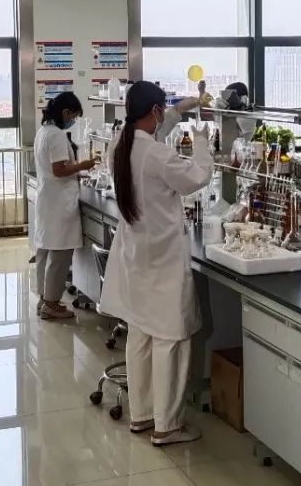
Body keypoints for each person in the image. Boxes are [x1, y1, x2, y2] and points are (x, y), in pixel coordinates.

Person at [100, 81, 212, 446]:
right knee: (170, 339)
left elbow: (154, 137)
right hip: (162, 257)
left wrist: (184, 107)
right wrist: (201, 141)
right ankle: (167, 425)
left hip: (136, 255)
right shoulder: (156, 155)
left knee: (140, 334)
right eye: (162, 109)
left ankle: (142, 415)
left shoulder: (120, 145)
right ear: (153, 111)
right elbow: (197, 177)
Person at [33, 92, 96, 320]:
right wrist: (83, 165)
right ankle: (51, 305)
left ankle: (44, 299)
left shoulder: (44, 131)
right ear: (65, 112)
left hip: (48, 200)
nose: (73, 121)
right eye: (74, 116)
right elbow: (59, 170)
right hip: (59, 204)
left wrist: (76, 169)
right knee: (59, 259)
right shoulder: (57, 135)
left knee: (45, 254)